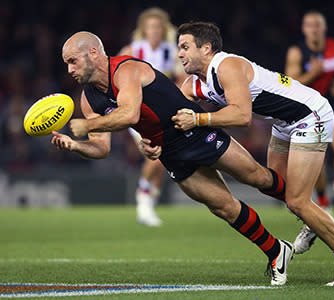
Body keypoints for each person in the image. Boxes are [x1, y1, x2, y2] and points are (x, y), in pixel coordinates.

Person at [53, 31, 294, 285]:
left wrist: (88, 127)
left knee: (258, 177)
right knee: (223, 207)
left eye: (72, 61)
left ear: (93, 53)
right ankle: (277, 251)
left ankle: (307, 210)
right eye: (66, 63)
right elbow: (101, 149)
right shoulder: (88, 99)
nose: (69, 70)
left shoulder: (126, 69)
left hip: (193, 128)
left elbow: (129, 115)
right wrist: (75, 145)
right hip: (169, 152)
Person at [168, 22, 334, 286]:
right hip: (283, 123)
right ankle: (315, 221)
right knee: (270, 182)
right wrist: (150, 139)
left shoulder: (227, 66)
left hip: (310, 115)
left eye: (185, 47)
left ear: (206, 48)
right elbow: (172, 116)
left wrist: (198, 119)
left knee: (297, 202)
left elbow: (241, 116)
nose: (179, 54)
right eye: (179, 48)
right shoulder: (193, 84)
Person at [285, 10, 334, 215]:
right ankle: (324, 201)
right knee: (319, 161)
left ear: (324, 28)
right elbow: (290, 83)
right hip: (310, 109)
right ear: (304, 29)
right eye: (310, 25)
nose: (314, 29)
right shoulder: (297, 51)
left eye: (318, 25)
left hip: (333, 104)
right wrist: (313, 73)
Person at [118, 8, 186, 226]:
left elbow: (183, 80)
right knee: (154, 155)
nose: (155, 31)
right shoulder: (132, 50)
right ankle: (144, 202)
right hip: (138, 112)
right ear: (144, 30)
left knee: (162, 159)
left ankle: (149, 201)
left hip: (163, 112)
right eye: (151, 27)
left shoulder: (172, 52)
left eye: (158, 27)